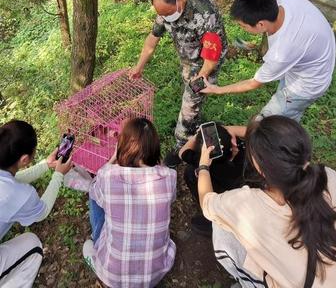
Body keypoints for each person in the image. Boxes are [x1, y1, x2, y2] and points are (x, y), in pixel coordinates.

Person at [197, 115, 336, 288]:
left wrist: (204, 165)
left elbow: (207, 202)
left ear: (259, 167)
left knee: (222, 230)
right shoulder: (326, 176)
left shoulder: (245, 204)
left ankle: (249, 282)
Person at [202, 0, 336, 123]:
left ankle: (284, 136)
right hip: (314, 60)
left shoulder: (281, 52)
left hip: (306, 85)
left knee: (266, 126)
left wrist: (218, 90)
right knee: (286, 120)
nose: (242, 29)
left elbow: (252, 83)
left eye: (243, 26)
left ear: (260, 24)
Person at [83, 117, 176, 288]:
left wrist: (113, 159)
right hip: (154, 275)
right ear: (155, 147)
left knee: (94, 194)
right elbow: (170, 196)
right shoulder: (169, 176)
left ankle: (96, 240)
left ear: (121, 146)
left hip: (112, 276)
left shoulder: (107, 175)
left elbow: (96, 187)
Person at [131, 0, 228, 146]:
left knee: (190, 100)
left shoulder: (204, 12)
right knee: (189, 94)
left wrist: (200, 78)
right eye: (163, 15)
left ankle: (182, 145)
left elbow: (211, 58)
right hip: (188, 60)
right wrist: (139, 67)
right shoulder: (164, 11)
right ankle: (195, 122)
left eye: (169, 13)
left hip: (208, 60)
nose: (167, 18)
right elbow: (152, 39)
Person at [0, 119, 72, 288]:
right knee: (33, 246)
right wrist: (58, 175)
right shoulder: (18, 195)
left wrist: (46, 165)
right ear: (25, 159)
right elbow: (42, 211)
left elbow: (13, 179)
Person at [179, 122, 245, 236]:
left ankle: (213, 222)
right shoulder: (243, 156)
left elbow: (182, 153)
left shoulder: (198, 159)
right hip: (241, 205)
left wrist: (197, 135)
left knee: (190, 172)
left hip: (223, 209)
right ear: (232, 144)